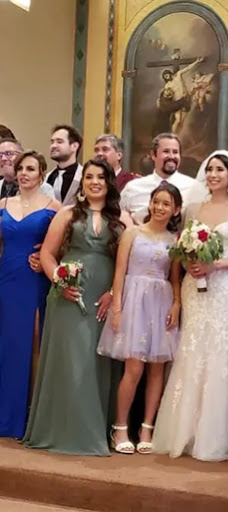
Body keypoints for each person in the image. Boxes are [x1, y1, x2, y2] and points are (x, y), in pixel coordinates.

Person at [23, 159, 132, 456]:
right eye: (89, 177)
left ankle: (95, 429)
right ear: (82, 183)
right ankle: (63, 431)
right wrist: (59, 282)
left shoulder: (122, 218)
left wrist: (114, 293)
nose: (94, 182)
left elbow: (130, 261)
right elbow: (47, 254)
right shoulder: (68, 213)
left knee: (97, 362)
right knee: (71, 361)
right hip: (69, 296)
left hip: (105, 299)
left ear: (109, 182)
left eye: (100, 177)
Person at [152, 150, 228, 461]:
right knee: (192, 348)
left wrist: (216, 265)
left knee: (221, 349)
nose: (213, 174)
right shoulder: (194, 209)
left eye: (220, 170)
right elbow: (182, 250)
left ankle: (216, 431)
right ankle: (183, 429)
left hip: (227, 288)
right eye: (209, 169)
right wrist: (191, 263)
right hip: (194, 286)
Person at [97, 182, 182, 454]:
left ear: (176, 210)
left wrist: (176, 304)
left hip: (161, 302)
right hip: (133, 302)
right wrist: (117, 309)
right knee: (133, 368)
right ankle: (120, 427)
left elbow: (174, 278)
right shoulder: (132, 233)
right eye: (156, 201)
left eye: (166, 204)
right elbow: (119, 273)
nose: (159, 207)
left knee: (157, 369)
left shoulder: (175, 241)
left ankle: (147, 427)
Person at [0, 151, 60, 438]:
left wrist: (45, 255)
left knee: (34, 342)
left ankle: (30, 417)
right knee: (7, 343)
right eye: (21, 168)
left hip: (34, 278)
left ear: (41, 174)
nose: (24, 173)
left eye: (31, 169)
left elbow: (65, 244)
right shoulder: (3, 204)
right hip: (6, 277)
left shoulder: (54, 207)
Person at [121, 133, 195, 224]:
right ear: (153, 155)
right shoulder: (133, 188)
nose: (171, 156)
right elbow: (119, 217)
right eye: (166, 151)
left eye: (175, 152)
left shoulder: (193, 187)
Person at [46, 125, 83, 205]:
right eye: (52, 142)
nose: (53, 146)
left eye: (59, 142)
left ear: (74, 146)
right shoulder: (48, 177)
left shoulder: (83, 176)